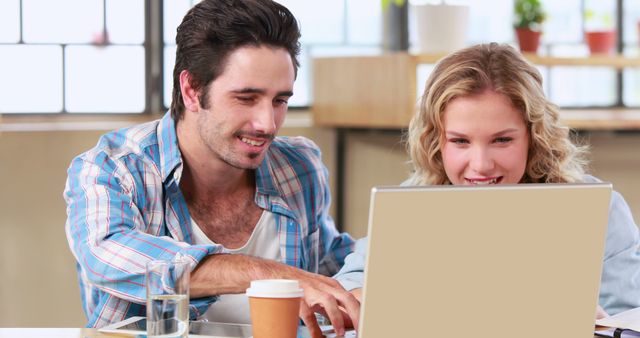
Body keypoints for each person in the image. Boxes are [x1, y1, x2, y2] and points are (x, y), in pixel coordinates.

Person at [64, 1, 359, 336]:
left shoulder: (298, 167)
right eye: (246, 98)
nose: (267, 124)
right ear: (191, 90)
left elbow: (333, 263)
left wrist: (362, 281)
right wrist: (269, 274)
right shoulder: (114, 169)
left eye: (280, 101)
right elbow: (106, 258)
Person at [335, 42, 640, 317]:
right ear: (436, 141)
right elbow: (348, 284)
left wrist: (602, 324)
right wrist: (364, 297)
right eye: (460, 141)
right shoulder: (411, 203)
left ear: (534, 138)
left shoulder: (598, 210)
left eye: (502, 140)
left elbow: (630, 315)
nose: (480, 166)